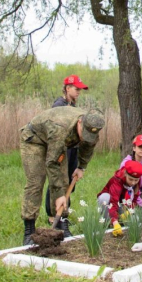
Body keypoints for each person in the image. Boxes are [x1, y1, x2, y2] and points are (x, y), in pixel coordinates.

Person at [20, 107, 104, 245]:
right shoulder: (60, 128)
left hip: (58, 145)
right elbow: (52, 163)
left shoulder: (92, 126)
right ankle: (29, 231)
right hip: (34, 140)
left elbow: (88, 146)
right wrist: (59, 195)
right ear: (80, 122)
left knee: (64, 181)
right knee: (36, 182)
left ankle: (61, 224)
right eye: (84, 133)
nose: (85, 137)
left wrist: (81, 167)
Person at [45, 74, 89, 222]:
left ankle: (63, 213)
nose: (78, 92)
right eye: (76, 89)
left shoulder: (73, 106)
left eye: (80, 90)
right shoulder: (59, 106)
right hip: (62, 149)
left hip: (73, 148)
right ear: (67, 88)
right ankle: (53, 215)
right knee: (58, 180)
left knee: (70, 180)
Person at [96, 160, 142, 237]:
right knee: (105, 197)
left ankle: (119, 221)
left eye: (136, 180)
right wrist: (115, 222)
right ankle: (106, 224)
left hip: (121, 203)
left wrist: (130, 210)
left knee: (136, 219)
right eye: (130, 179)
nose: (133, 183)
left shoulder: (136, 180)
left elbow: (135, 198)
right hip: (109, 203)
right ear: (125, 174)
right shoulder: (117, 180)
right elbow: (113, 203)